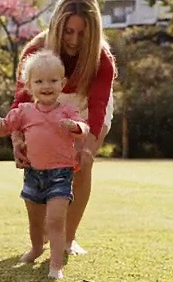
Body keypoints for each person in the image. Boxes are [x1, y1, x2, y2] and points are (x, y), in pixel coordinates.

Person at [10, 0, 117, 255]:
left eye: (83, 33)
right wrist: (17, 140)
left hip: (86, 102)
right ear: (57, 26)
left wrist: (88, 146)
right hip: (48, 95)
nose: (74, 40)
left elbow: (99, 105)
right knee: (42, 162)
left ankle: (68, 238)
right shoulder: (36, 50)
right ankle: (46, 230)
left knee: (82, 164)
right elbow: (21, 100)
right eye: (68, 31)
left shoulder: (102, 58)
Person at [0, 49, 90, 279]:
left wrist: (74, 126)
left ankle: (56, 265)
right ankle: (36, 248)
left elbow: (84, 128)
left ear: (62, 83)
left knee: (55, 220)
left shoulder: (67, 110)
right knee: (35, 222)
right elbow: (5, 125)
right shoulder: (24, 112)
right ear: (29, 85)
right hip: (33, 174)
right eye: (40, 81)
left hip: (60, 175)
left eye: (53, 80)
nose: (47, 85)